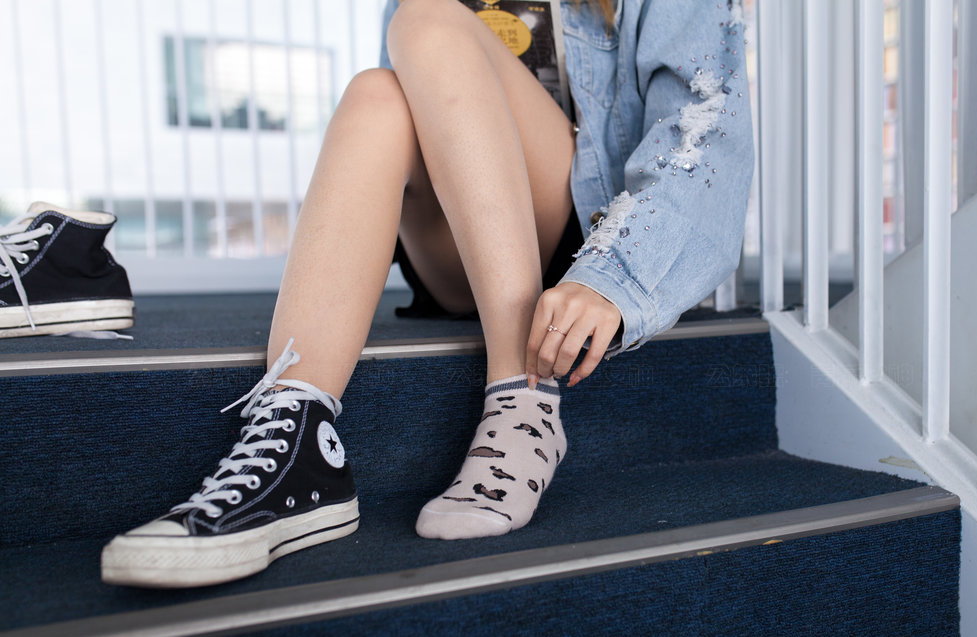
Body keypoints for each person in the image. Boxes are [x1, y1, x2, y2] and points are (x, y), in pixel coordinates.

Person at [100, 0, 753, 588]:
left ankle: (523, 400)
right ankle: (296, 437)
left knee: (425, 18)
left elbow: (703, 130)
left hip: (580, 234)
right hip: (455, 245)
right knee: (377, 94)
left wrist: (616, 275)